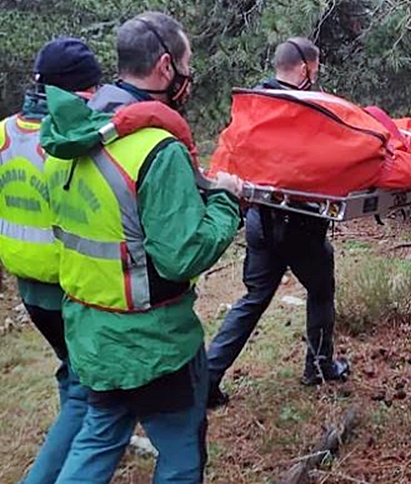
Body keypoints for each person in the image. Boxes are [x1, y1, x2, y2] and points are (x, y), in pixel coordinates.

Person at [42, 12, 243, 483]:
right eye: (188, 65)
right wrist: (226, 203)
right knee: (180, 453)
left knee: (96, 441)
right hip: (155, 344)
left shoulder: (70, 134)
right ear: (166, 67)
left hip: (91, 336)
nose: (191, 78)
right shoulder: (156, 148)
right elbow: (183, 255)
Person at [207, 37, 349, 409]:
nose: (315, 75)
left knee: (253, 300)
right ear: (305, 69)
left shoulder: (255, 107)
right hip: (300, 226)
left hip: (260, 223)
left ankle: (207, 378)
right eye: (315, 69)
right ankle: (319, 367)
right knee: (320, 289)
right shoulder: (307, 109)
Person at [0, 37, 101, 484]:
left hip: (27, 285)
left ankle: (77, 444)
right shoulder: (67, 143)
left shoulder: (4, 132)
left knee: (70, 372)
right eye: (93, 88)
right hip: (69, 287)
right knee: (85, 391)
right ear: (77, 92)